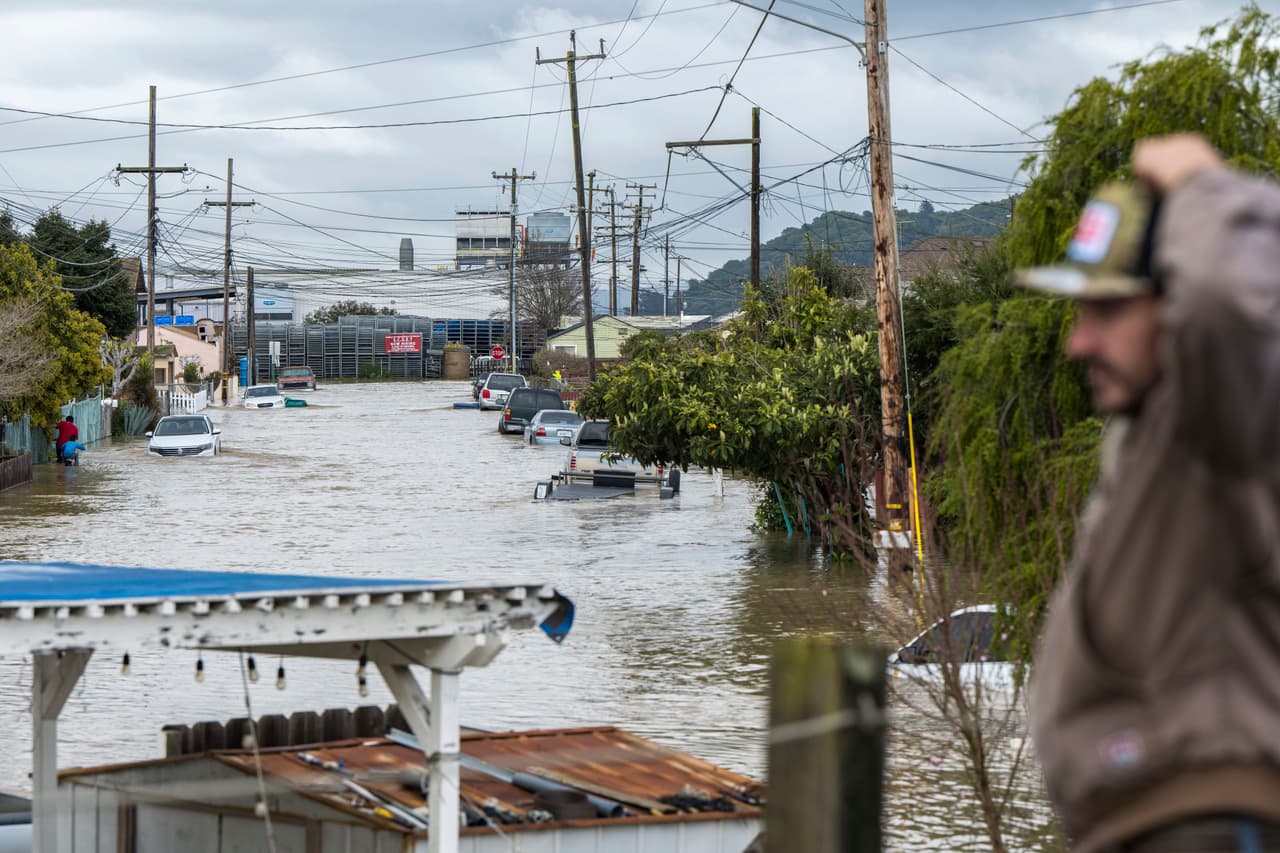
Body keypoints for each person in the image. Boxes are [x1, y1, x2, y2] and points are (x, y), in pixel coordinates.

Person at [1017, 134, 1280, 852]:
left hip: (1209, 823)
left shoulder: (1221, 421)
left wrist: (1202, 184)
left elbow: (1231, 302)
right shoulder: (1156, 445)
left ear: (1175, 310)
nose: (1079, 342)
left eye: (1108, 310)